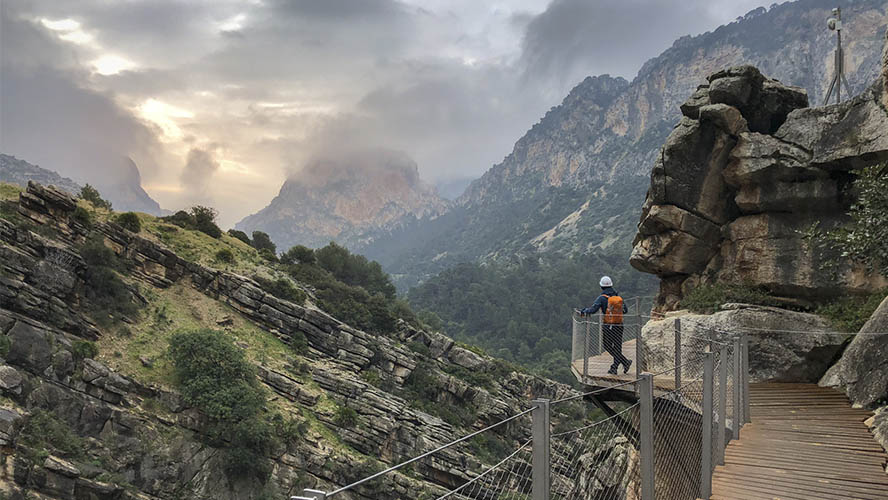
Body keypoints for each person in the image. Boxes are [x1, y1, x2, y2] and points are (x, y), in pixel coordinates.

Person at [581, 276, 631, 375]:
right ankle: (621, 364)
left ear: (601, 286)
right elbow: (625, 310)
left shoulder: (602, 298)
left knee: (608, 346)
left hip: (608, 326)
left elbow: (593, 310)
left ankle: (618, 366)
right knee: (617, 346)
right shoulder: (617, 297)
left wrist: (583, 311)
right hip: (619, 325)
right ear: (611, 285)